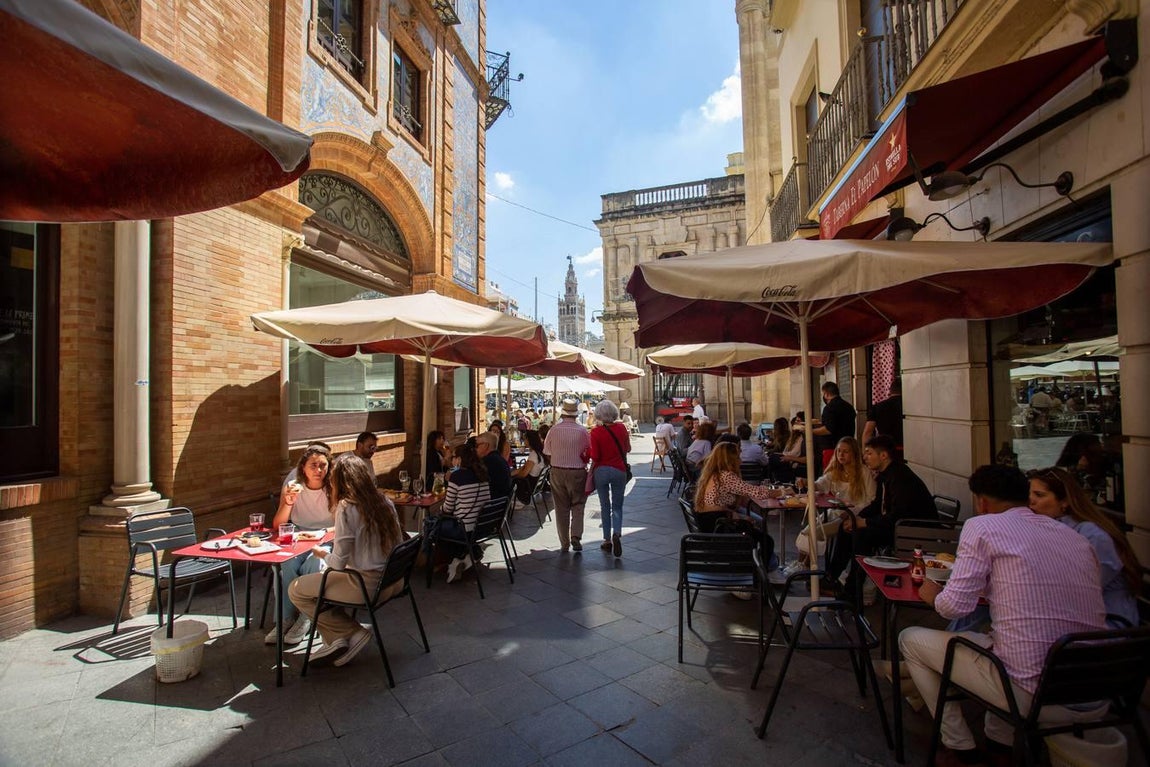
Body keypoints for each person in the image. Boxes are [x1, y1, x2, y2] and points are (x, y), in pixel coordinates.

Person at [899, 465, 1106, 766]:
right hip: (1097, 688)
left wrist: (932, 595)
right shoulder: (1074, 537)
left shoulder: (982, 527)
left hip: (1033, 692)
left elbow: (954, 607)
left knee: (911, 639)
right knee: (1001, 644)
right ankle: (1000, 748)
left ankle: (960, 749)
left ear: (982, 502)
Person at [288, 452, 404, 667]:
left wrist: (322, 553)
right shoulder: (384, 501)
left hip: (366, 586)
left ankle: (348, 632)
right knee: (322, 584)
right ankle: (336, 639)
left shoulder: (347, 507)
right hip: (393, 581)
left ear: (339, 481)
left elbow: (338, 564)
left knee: (297, 589)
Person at [1027, 466, 1139, 628]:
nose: (1031, 501)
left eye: (1039, 495)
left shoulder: (1093, 535)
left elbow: (1082, 589)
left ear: (1064, 501)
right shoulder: (1045, 529)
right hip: (1069, 616)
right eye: (1029, 494)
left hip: (1107, 624)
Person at [823, 435, 935, 593]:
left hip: (912, 531)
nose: (865, 458)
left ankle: (852, 590)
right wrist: (856, 518)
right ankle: (831, 578)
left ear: (883, 455)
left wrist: (864, 522)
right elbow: (876, 506)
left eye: (869, 453)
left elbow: (897, 515)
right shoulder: (885, 475)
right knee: (848, 528)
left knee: (862, 535)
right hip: (897, 526)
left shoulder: (900, 477)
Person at [268, 443, 334, 645]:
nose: (318, 470)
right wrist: (288, 503)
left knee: (315, 562)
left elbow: (344, 524)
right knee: (286, 563)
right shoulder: (293, 486)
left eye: (323, 465)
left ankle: (306, 617)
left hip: (326, 536)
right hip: (299, 536)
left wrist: (322, 533)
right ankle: (286, 618)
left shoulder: (335, 487)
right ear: (303, 468)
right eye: (313, 465)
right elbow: (278, 525)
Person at [433, 444, 492, 583]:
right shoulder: (483, 473)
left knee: (433, 525)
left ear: (459, 459)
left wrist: (439, 511)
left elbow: (447, 508)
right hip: (483, 527)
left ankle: (448, 561)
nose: (452, 460)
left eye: (453, 457)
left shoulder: (457, 476)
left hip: (464, 529)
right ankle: (466, 555)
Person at [694, 442, 782, 533]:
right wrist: (783, 492)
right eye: (738, 457)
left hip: (708, 519)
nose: (741, 461)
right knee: (759, 522)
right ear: (730, 460)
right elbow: (758, 493)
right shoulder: (726, 476)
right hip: (718, 523)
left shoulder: (713, 473)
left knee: (755, 519)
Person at [543, 399, 591, 552]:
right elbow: (589, 450)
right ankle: (576, 536)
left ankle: (564, 542)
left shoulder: (553, 430)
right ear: (576, 415)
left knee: (561, 508)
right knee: (578, 505)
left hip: (557, 471)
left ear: (563, 413)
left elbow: (547, 451)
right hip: (578, 471)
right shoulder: (582, 431)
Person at [589, 399, 631, 557]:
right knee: (617, 506)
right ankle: (617, 533)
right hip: (619, 470)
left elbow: (595, 456)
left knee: (604, 505)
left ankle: (607, 540)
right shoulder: (622, 428)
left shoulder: (595, 432)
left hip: (601, 471)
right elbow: (627, 448)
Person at [812, 382, 856, 468]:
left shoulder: (829, 408)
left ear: (826, 394)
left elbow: (828, 429)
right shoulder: (849, 407)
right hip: (849, 447)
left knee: (832, 473)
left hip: (833, 449)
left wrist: (810, 431)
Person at [861, 380, 903, 451]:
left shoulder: (877, 407)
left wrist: (865, 453)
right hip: (907, 449)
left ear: (890, 391)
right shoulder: (909, 407)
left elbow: (868, 432)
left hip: (885, 450)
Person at [511, 429, 547, 507]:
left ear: (530, 440)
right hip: (536, 484)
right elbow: (523, 467)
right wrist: (511, 473)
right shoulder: (539, 453)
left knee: (513, 480)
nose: (524, 441)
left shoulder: (533, 454)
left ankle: (520, 501)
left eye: (525, 439)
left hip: (529, 484)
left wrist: (514, 476)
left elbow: (523, 474)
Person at [767, 414, 806, 483]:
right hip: (787, 456)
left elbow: (794, 453)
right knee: (772, 458)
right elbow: (786, 449)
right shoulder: (793, 437)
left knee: (772, 458)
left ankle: (773, 480)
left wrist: (785, 455)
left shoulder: (801, 438)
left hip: (791, 459)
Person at [475, 431, 511, 500]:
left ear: (486, 446)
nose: (475, 449)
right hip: (501, 501)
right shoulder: (499, 458)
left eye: (477, 445)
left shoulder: (488, 461)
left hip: (493, 503)